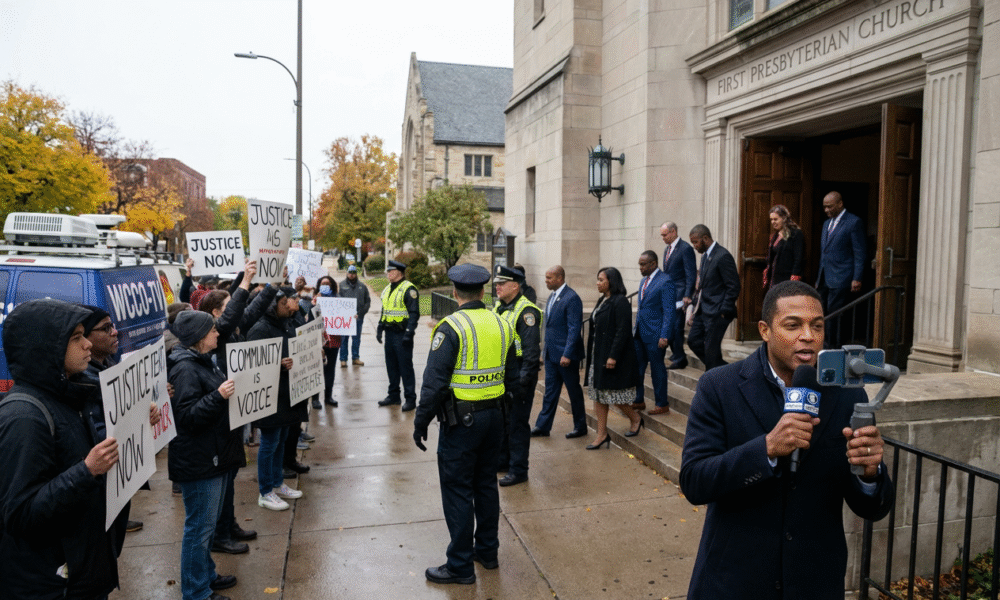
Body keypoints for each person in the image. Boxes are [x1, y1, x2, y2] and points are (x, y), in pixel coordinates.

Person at [679, 280, 895, 599]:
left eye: (816, 325)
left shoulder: (849, 397)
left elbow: (872, 508)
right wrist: (765, 448)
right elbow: (695, 482)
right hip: (734, 582)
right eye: (792, 325)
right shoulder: (718, 387)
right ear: (765, 330)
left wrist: (870, 473)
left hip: (814, 583)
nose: (807, 336)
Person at [0, 299, 121, 600]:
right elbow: (20, 514)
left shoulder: (68, 395)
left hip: (80, 572)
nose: (88, 346)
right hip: (52, 585)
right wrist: (86, 471)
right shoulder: (24, 416)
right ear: (46, 346)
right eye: (76, 338)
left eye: (85, 335)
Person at [411, 264, 519, 585]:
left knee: (458, 489)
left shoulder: (450, 327)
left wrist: (421, 422)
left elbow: (434, 383)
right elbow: (512, 376)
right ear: (483, 292)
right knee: (485, 484)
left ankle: (459, 565)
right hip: (494, 419)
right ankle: (487, 551)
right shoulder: (502, 324)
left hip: (463, 424)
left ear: (455, 293)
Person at [196, 259, 269, 555]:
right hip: (222, 413)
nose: (237, 309)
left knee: (231, 475)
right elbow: (233, 315)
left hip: (235, 411)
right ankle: (220, 534)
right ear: (215, 314)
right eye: (229, 305)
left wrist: (271, 286)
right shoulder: (219, 332)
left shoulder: (232, 328)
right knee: (224, 475)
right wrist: (244, 283)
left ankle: (229, 524)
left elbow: (248, 311)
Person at [166, 310, 240, 600]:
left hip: (214, 456)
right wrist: (218, 395)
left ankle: (205, 575)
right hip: (199, 461)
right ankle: (196, 591)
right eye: (212, 331)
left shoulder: (201, 361)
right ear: (198, 337)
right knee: (199, 529)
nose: (217, 334)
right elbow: (187, 418)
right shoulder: (185, 369)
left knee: (206, 527)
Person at [247, 286, 306, 511]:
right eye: (284, 304)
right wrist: (278, 365)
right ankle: (265, 491)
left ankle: (277, 483)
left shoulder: (287, 324)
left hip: (286, 394)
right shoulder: (260, 328)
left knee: (280, 441)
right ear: (273, 305)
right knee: (269, 443)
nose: (289, 308)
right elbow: (251, 364)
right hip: (270, 397)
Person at [492, 265, 541, 487]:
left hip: (520, 372)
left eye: (502, 283)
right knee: (503, 421)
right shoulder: (499, 308)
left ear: (515, 285)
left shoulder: (526, 311)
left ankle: (519, 469)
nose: (497, 287)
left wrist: (522, 382)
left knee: (518, 424)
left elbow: (531, 353)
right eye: (496, 283)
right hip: (503, 371)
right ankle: (503, 461)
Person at [583, 267, 643, 448]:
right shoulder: (603, 300)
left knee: (614, 396)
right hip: (598, 355)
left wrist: (613, 357)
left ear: (611, 281)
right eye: (598, 279)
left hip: (613, 357)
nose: (597, 283)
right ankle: (602, 434)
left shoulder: (621, 301)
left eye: (601, 280)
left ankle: (635, 418)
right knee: (599, 395)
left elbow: (623, 331)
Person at [532, 265, 587, 438]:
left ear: (560, 278)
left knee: (573, 392)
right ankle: (542, 426)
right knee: (550, 392)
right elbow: (549, 327)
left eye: (549, 278)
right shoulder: (551, 296)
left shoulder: (572, 298)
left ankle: (580, 426)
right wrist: (544, 351)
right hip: (551, 355)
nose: (546, 281)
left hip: (566, 357)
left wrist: (567, 354)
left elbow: (574, 329)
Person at [816, 191, 865, 348]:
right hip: (824, 276)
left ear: (840, 203)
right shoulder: (826, 224)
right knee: (822, 311)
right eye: (824, 207)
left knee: (834, 312)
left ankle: (833, 346)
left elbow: (859, 252)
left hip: (842, 276)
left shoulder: (853, 222)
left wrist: (857, 277)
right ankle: (823, 344)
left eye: (829, 206)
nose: (827, 210)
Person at [687, 224, 740, 370]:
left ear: (705, 238)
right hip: (703, 310)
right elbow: (702, 288)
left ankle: (714, 378)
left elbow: (734, 286)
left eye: (696, 242)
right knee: (693, 341)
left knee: (711, 353)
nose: (694, 246)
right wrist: (694, 310)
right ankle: (725, 371)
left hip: (717, 313)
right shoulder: (705, 257)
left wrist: (723, 310)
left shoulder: (723, 256)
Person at [632, 250, 674, 415]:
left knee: (657, 369)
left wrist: (664, 335)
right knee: (638, 369)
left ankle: (662, 403)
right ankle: (638, 400)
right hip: (640, 333)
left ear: (653, 264)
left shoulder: (666, 281)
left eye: (643, 264)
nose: (640, 268)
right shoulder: (644, 281)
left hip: (656, 335)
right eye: (639, 265)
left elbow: (669, 311)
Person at [376, 260, 420, 411]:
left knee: (405, 367)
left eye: (390, 271)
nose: (388, 274)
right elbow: (385, 310)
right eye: (388, 271)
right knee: (391, 366)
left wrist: (409, 333)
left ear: (399, 273)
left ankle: (410, 399)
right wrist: (380, 327)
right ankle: (394, 396)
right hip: (389, 333)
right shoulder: (387, 289)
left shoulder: (409, 289)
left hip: (402, 334)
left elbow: (414, 314)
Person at [660, 221, 697, 370]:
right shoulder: (667, 249)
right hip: (670, 294)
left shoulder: (685, 249)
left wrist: (688, 294)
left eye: (665, 234)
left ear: (673, 232)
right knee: (671, 326)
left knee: (676, 327)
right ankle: (676, 354)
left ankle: (681, 358)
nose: (663, 238)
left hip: (680, 294)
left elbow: (690, 273)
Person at [763, 204, 805, 290]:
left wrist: (794, 278)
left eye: (775, 219)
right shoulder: (775, 236)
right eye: (771, 219)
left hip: (787, 278)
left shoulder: (795, 234)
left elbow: (799, 258)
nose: (773, 222)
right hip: (774, 279)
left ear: (784, 218)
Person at [315, 275, 341, 408]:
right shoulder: (314, 300)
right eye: (323, 283)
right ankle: (315, 398)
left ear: (332, 286)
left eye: (328, 284)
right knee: (316, 369)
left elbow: (344, 317)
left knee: (330, 369)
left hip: (333, 340)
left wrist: (351, 316)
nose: (325, 286)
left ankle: (328, 396)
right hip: (318, 340)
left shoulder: (338, 300)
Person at [339, 265, 371, 367]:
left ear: (356, 274)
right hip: (345, 318)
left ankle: (355, 358)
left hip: (358, 317)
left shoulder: (362, 286)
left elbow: (367, 301)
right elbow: (337, 300)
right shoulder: (341, 285)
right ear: (347, 273)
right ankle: (343, 359)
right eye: (350, 273)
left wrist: (361, 313)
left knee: (356, 339)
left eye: (353, 273)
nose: (351, 275)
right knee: (344, 339)